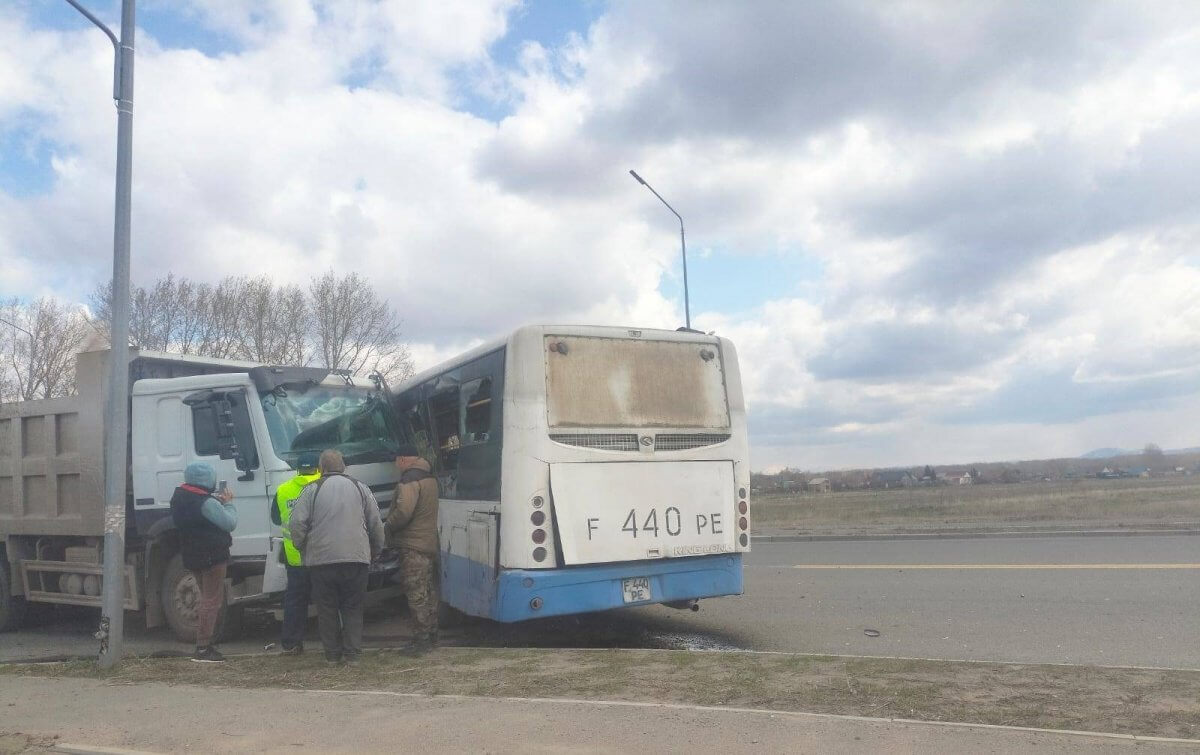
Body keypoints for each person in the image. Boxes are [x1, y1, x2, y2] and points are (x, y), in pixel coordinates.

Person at [288, 449, 384, 664]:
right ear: (343, 466)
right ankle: (352, 654)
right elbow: (375, 522)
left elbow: (297, 523)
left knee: (327, 608)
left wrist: (302, 546)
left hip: (322, 560)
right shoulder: (361, 488)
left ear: (321, 468)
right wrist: (376, 549)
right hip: (356, 558)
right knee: (353, 606)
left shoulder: (311, 489)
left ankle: (332, 655)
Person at [169, 462, 238, 663]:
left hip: (192, 555)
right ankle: (203, 647)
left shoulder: (180, 497)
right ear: (207, 479)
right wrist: (228, 503)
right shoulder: (206, 502)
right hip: (213, 556)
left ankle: (205, 643)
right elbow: (230, 522)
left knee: (205, 599)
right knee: (212, 601)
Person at [385, 444, 441, 656]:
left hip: (413, 545)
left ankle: (421, 641)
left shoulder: (410, 480)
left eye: (397, 460)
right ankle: (433, 635)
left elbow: (404, 512)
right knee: (428, 591)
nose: (396, 465)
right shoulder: (429, 477)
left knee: (416, 594)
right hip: (428, 543)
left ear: (403, 459)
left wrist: (388, 525)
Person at [272, 451, 322, 655]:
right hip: (322, 555)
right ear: (318, 467)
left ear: (298, 469)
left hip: (295, 557)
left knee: (294, 602)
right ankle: (334, 642)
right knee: (328, 600)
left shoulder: (284, 489)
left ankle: (292, 643)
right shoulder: (325, 485)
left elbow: (276, 518)